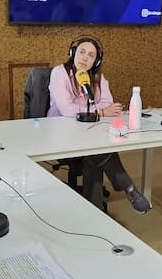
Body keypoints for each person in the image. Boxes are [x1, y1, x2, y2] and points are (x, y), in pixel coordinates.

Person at [48, 35, 151, 214]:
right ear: (73, 53)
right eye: (81, 52)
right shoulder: (60, 73)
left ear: (96, 60)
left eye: (91, 55)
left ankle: (94, 210)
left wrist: (100, 109)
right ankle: (129, 188)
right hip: (61, 133)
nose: (85, 58)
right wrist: (101, 112)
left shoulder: (96, 77)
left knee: (95, 153)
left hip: (89, 131)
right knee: (97, 152)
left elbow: (108, 102)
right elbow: (67, 110)